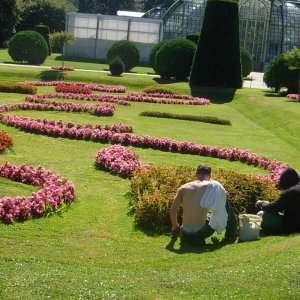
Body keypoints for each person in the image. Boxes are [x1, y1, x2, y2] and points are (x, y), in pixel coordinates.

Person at [170, 164, 238, 245]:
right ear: (210, 176)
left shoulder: (183, 187)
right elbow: (224, 196)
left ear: (196, 174)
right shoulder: (214, 186)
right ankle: (231, 235)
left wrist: (175, 227)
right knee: (224, 202)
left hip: (185, 231)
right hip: (202, 231)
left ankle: (189, 238)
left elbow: (173, 210)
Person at [255, 167, 300, 235]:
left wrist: (261, 203)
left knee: (260, 214)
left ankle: (266, 231)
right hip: (296, 220)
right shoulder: (296, 188)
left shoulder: (290, 192)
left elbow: (273, 207)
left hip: (293, 225)